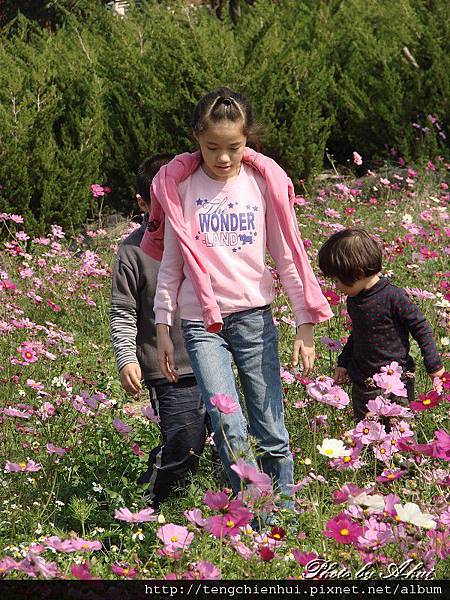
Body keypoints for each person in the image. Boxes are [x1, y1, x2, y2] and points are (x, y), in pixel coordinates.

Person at [140, 87, 333, 504]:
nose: (224, 158)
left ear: (248, 139)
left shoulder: (262, 184)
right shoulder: (182, 188)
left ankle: (284, 515)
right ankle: (253, 511)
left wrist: (306, 325)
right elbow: (171, 266)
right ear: (197, 138)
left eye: (235, 146)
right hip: (199, 325)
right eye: (213, 147)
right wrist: (161, 330)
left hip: (253, 318)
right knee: (227, 423)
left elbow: (287, 259)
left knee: (270, 427)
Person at [110, 154, 216, 509]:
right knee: (184, 441)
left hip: (215, 357)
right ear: (143, 202)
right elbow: (123, 310)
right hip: (170, 370)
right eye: (162, 197)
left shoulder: (206, 237)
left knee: (224, 441)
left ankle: (210, 506)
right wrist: (127, 358)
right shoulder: (132, 251)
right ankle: (152, 503)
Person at [318, 227, 445, 421]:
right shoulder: (355, 299)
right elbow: (358, 334)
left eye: (337, 281)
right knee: (368, 436)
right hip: (364, 382)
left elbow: (421, 328)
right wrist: (343, 362)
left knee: (401, 434)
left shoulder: (393, 296)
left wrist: (433, 365)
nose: (336, 287)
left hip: (396, 382)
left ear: (358, 273)